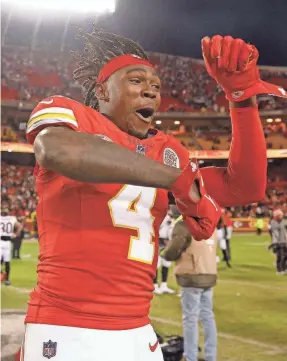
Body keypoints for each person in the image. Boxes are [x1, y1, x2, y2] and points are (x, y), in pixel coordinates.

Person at [22, 26, 282, 361]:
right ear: (101, 90)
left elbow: (245, 187)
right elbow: (57, 151)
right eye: (136, 81)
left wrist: (242, 98)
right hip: (68, 325)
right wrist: (177, 180)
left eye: (156, 87)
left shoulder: (165, 149)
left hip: (139, 332)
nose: (151, 92)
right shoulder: (71, 115)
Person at [163, 210, 218, 361]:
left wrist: (164, 254)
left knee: (190, 319)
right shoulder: (210, 224)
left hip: (192, 275)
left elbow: (174, 250)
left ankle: (191, 357)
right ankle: (211, 357)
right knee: (208, 317)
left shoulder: (184, 224)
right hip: (209, 273)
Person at [153, 211, 175, 294]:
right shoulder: (160, 216)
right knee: (157, 264)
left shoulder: (172, 219)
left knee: (166, 264)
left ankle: (164, 285)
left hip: (168, 243)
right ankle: (154, 285)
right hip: (159, 242)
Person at [0, 208, 22, 285]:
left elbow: (19, 226)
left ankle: (6, 279)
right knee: (6, 262)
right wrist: (15, 234)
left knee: (7, 262)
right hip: (5, 242)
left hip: (5, 242)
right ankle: (6, 279)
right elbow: (20, 226)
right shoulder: (12, 218)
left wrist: (15, 234)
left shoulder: (11, 218)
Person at [268, 209, 287, 274]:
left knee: (285, 256)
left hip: (284, 241)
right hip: (278, 242)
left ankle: (284, 268)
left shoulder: (284, 222)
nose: (281, 216)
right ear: (276, 216)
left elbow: (285, 231)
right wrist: (274, 244)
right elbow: (275, 234)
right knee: (281, 256)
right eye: (280, 215)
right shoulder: (273, 223)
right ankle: (279, 270)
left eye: (281, 215)